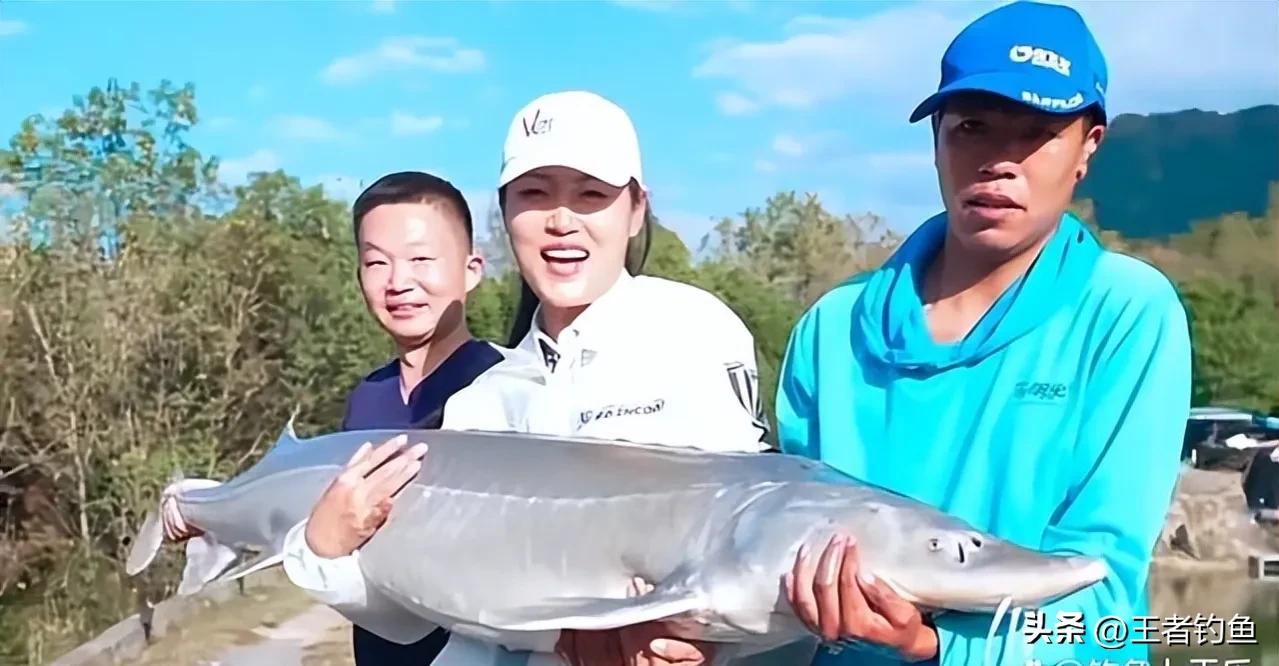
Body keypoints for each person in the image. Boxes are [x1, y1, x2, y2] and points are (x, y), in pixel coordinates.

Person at [279, 90, 774, 666]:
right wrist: (323, 554)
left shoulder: (692, 330)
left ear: (636, 209)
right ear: (505, 211)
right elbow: (430, 612)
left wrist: (696, 643)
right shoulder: (481, 405)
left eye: (591, 195)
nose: (562, 221)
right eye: (534, 195)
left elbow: (750, 543)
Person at [771, 2, 1193, 665]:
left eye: (1036, 132)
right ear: (935, 136)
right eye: (971, 127)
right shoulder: (831, 327)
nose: (999, 161)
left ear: (1087, 148)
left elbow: (1102, 583)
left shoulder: (1125, 313)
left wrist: (935, 643)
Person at [160, 170, 506, 665]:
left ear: (472, 270)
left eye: (421, 259)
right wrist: (211, 510)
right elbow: (329, 523)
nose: (399, 282)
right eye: (376, 263)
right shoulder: (367, 397)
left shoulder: (507, 385)